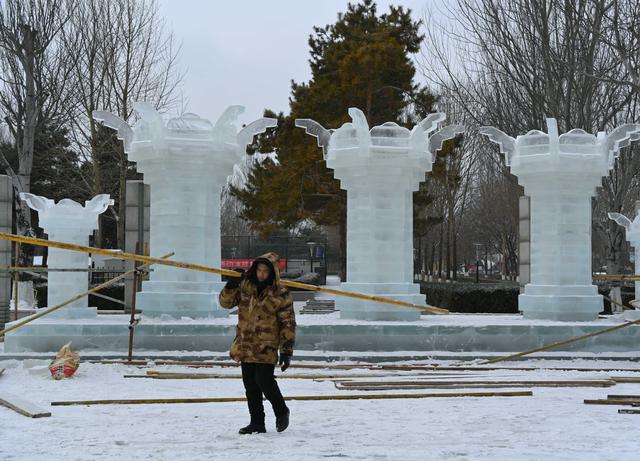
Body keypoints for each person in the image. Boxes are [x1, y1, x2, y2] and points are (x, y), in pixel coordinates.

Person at [219, 252, 296, 434]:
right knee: (250, 385)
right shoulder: (246, 286)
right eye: (259, 270)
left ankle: (281, 410)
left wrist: (286, 351)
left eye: (265, 271)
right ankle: (257, 423)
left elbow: (288, 323)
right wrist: (231, 285)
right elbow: (226, 303)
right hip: (245, 343)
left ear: (273, 273)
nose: (261, 274)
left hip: (266, 345)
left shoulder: (281, 293)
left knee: (264, 380)